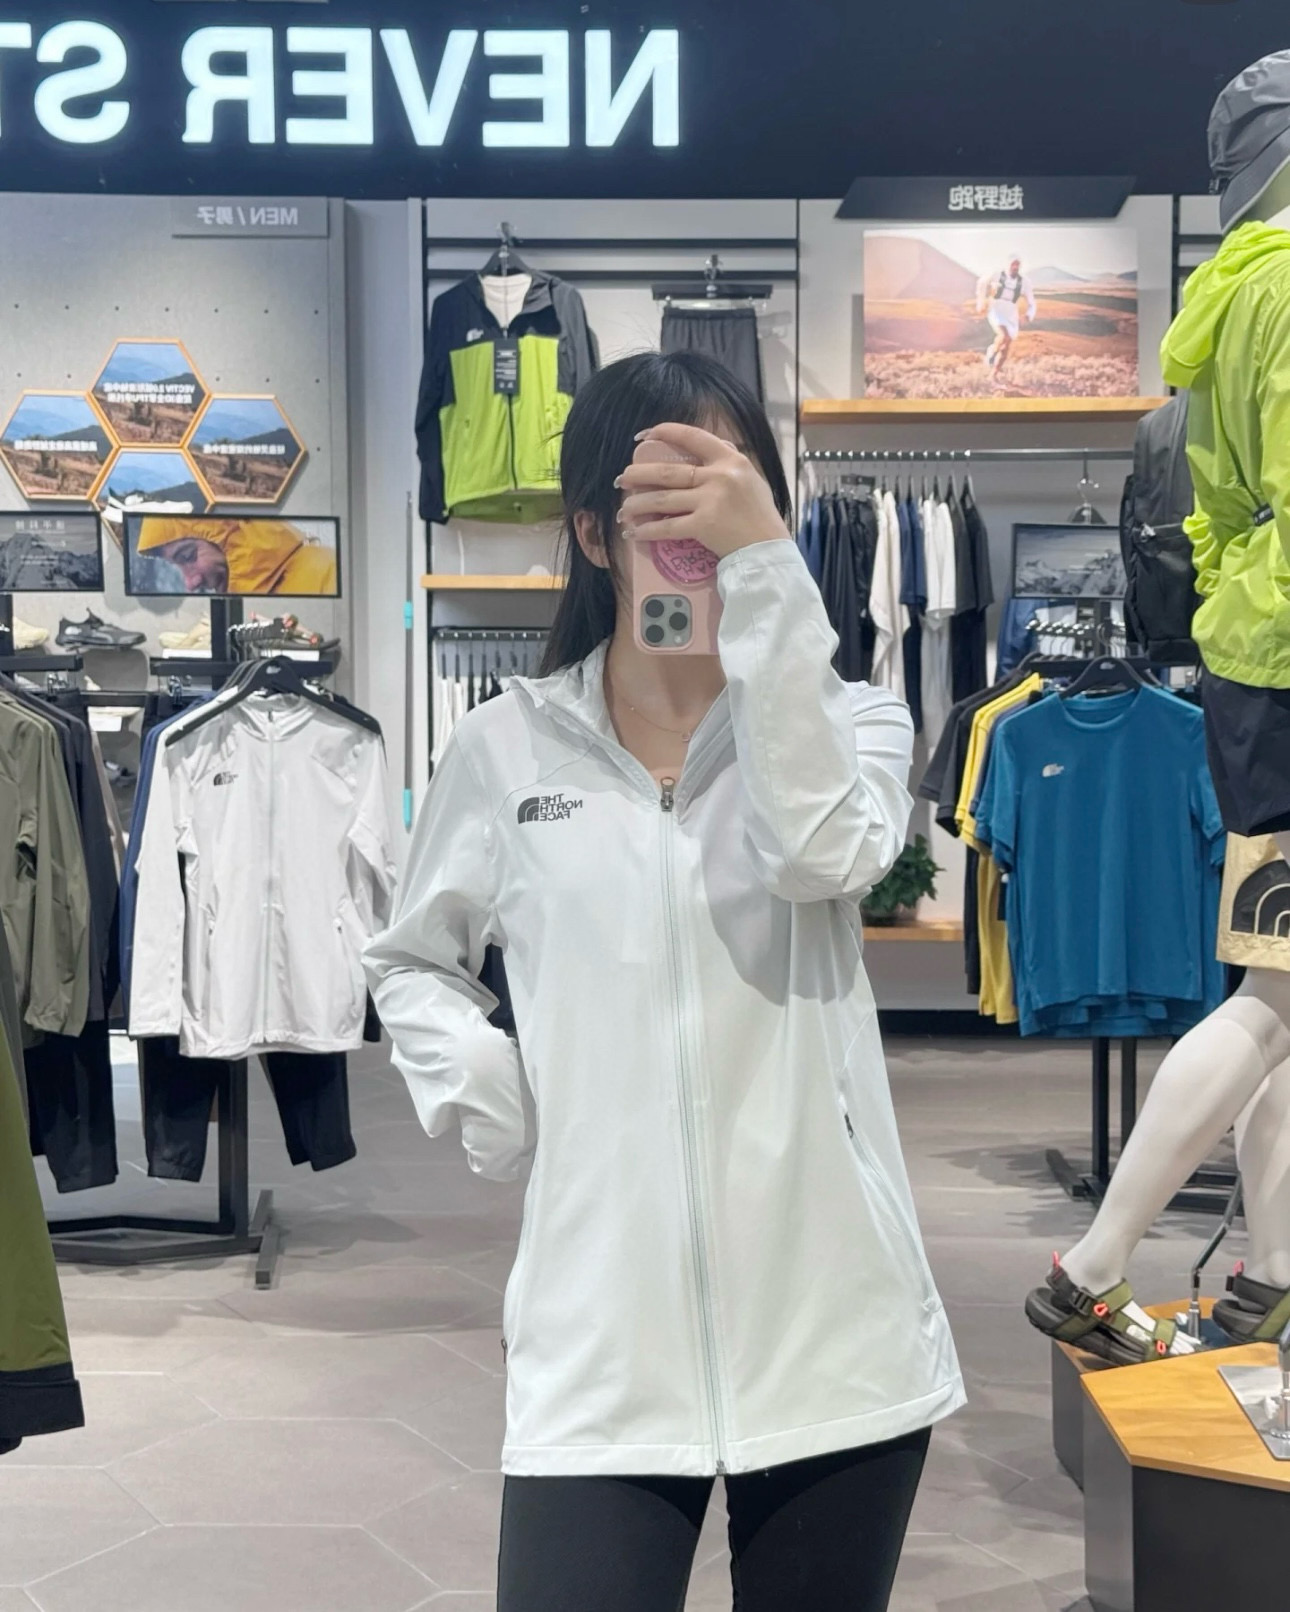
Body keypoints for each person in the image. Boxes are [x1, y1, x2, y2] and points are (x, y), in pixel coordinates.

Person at [365, 352, 962, 1611]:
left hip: (834, 1334)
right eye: (666, 491)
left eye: (731, 483)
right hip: (600, 1342)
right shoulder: (504, 747)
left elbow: (819, 855)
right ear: (596, 531)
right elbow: (412, 957)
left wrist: (772, 583)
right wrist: (487, 1084)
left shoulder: (854, 722)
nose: (701, 517)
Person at [133, 516, 337, 595]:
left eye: (188, 557)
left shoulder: (328, 573)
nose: (190, 583)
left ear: (226, 533)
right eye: (176, 565)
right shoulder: (239, 603)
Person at [975, 254, 1037, 377]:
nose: (1015, 267)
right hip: (996, 309)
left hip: (1011, 313)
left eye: (1017, 265)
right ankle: (992, 353)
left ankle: (994, 373)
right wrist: (981, 303)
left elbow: (1031, 301)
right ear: (1008, 265)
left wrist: (1029, 315)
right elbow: (982, 283)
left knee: (1006, 345)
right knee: (1005, 336)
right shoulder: (997, 275)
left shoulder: (1024, 282)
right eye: (1013, 264)